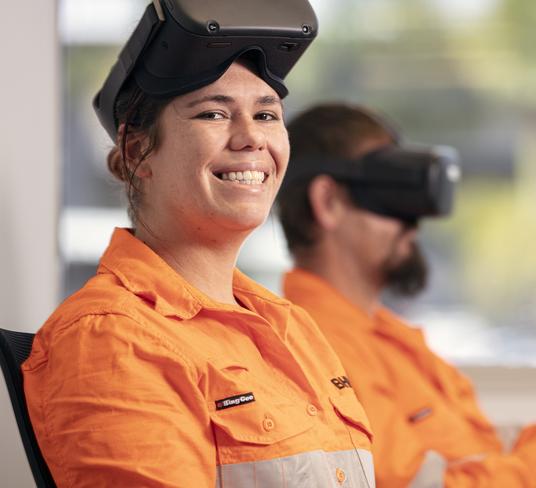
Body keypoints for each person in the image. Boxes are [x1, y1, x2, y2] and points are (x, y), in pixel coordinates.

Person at [22, 4, 375, 487]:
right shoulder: (111, 341)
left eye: (267, 114)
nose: (251, 137)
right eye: (213, 113)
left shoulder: (293, 328)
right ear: (136, 152)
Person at [277, 102, 536, 488]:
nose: (415, 220)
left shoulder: (392, 340)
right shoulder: (313, 348)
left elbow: (483, 457)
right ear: (328, 203)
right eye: (392, 192)